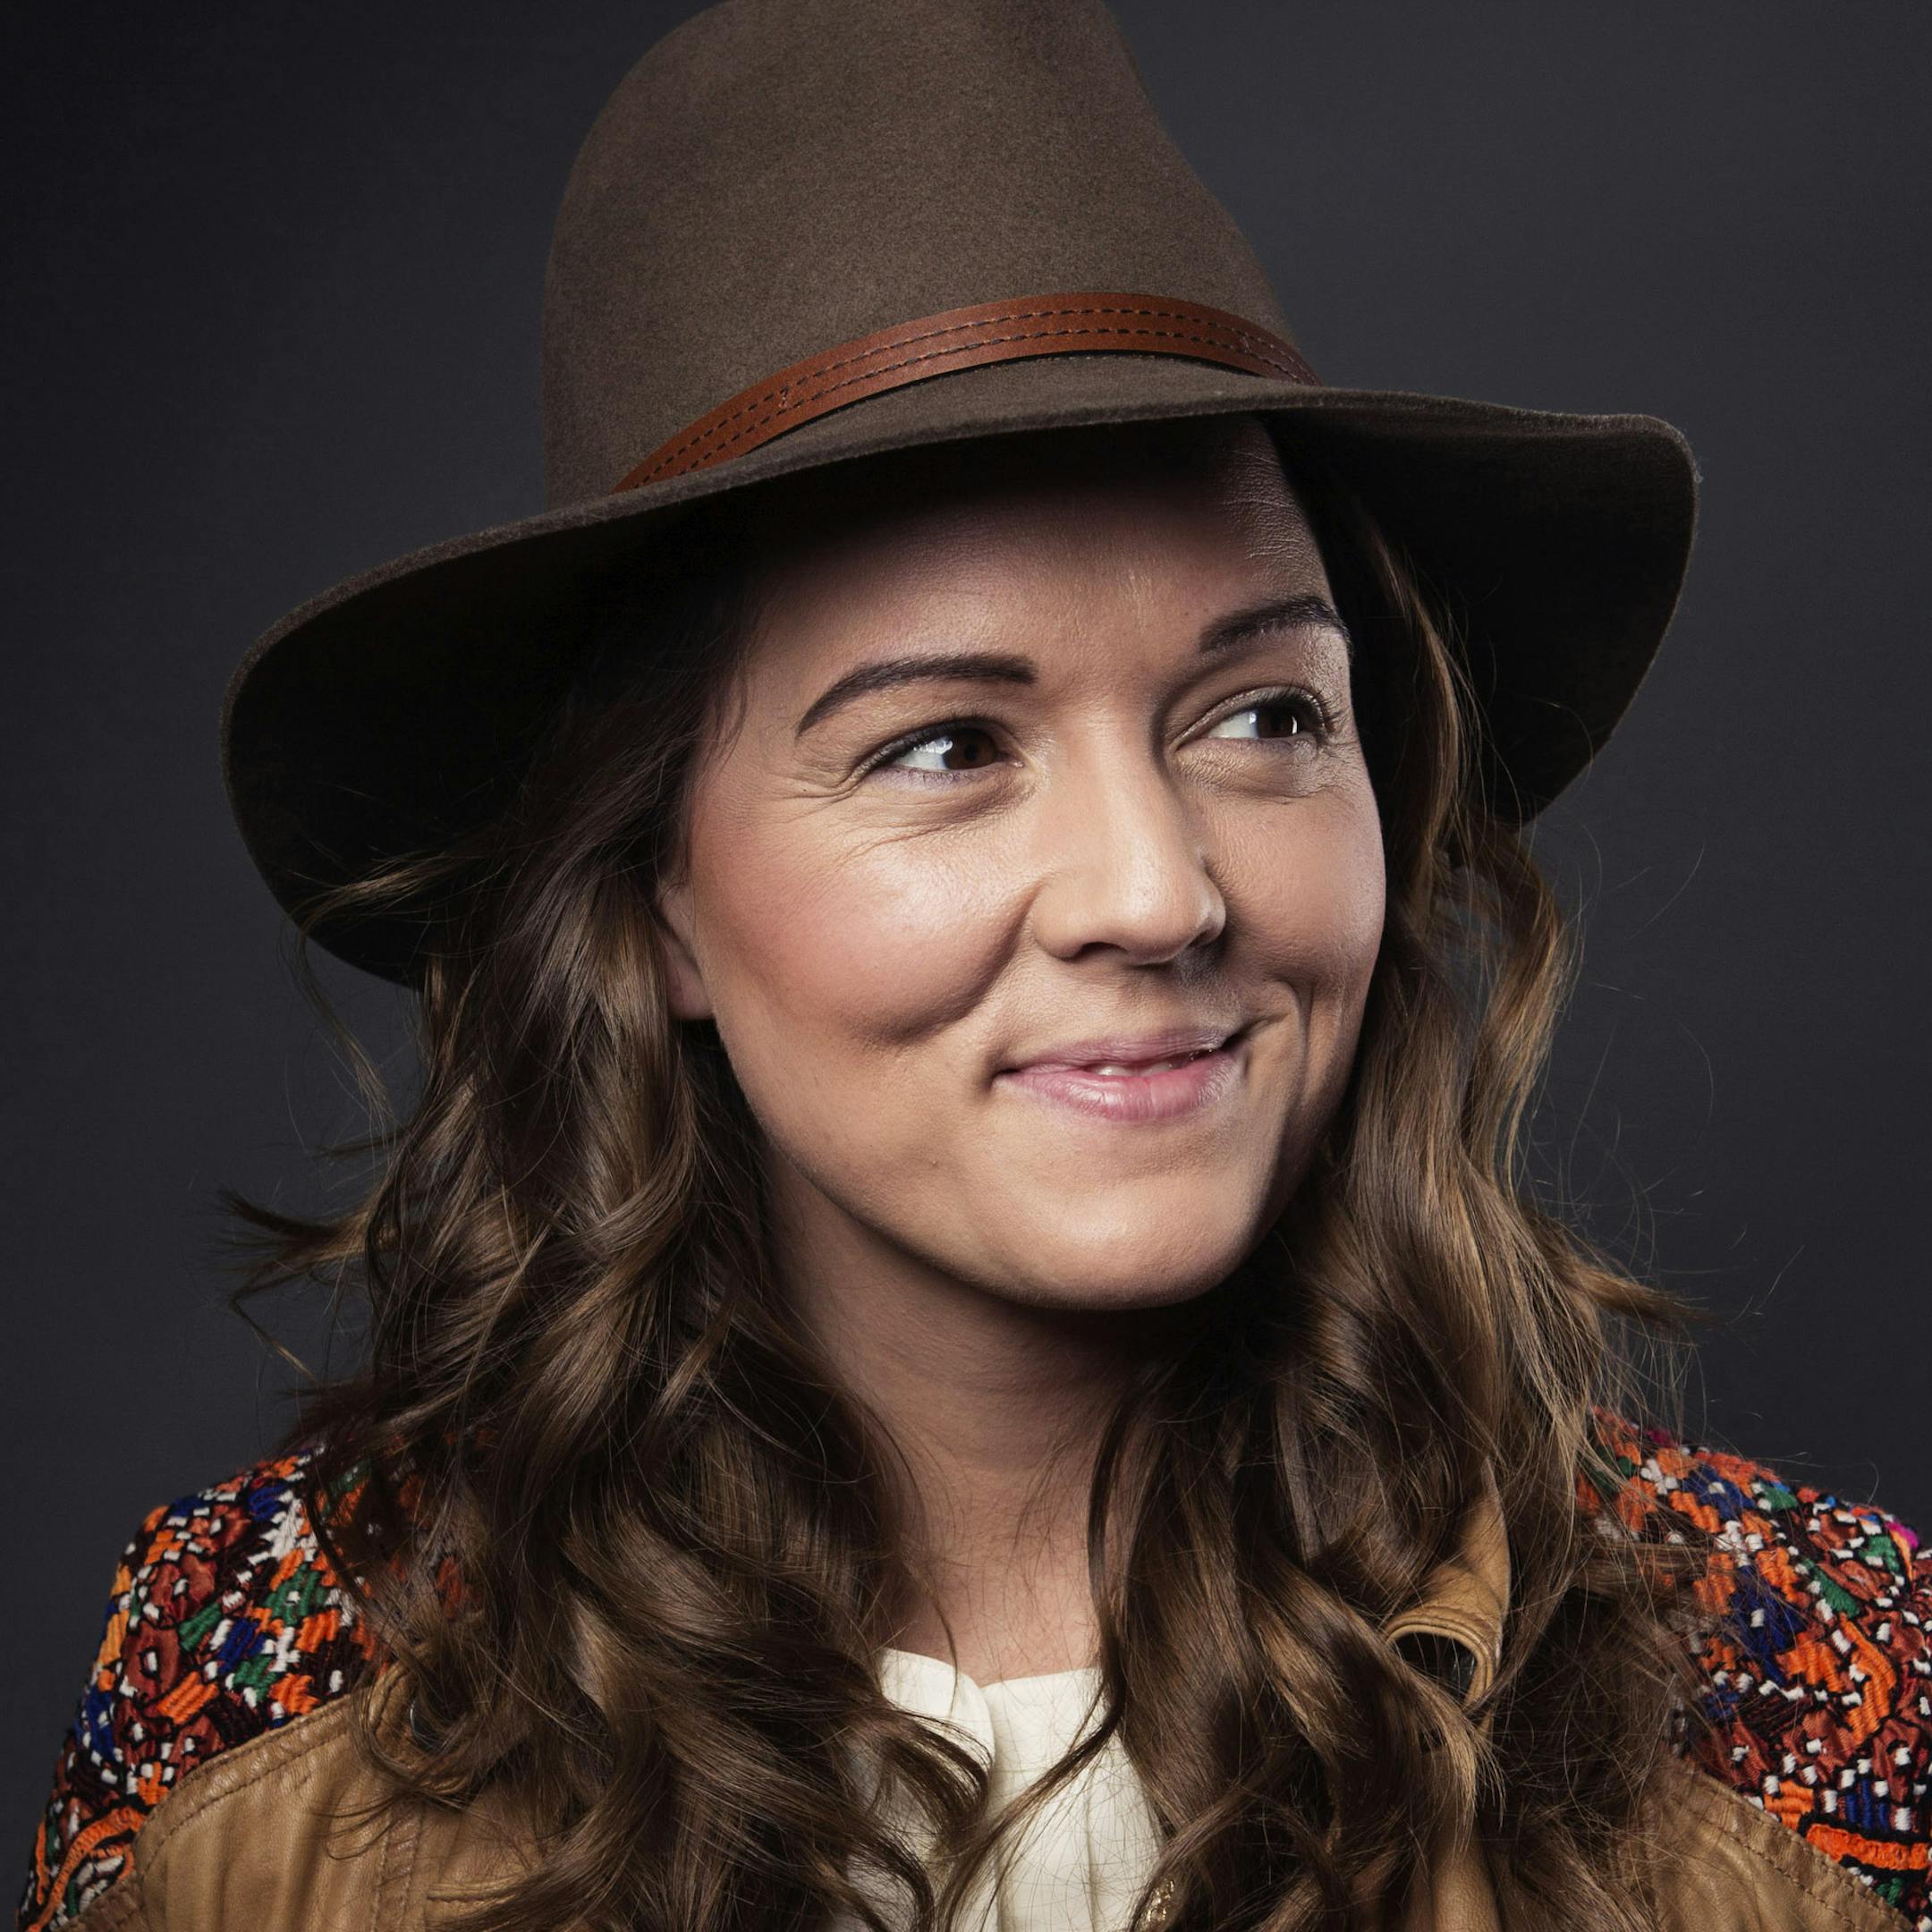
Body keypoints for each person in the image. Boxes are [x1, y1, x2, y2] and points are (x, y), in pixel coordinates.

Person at [15, 2, 1928, 1930]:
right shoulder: (264, 1718)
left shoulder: (1791, 1703)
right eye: (947, 747)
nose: (1157, 889)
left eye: (1262, 714)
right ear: (656, 895)